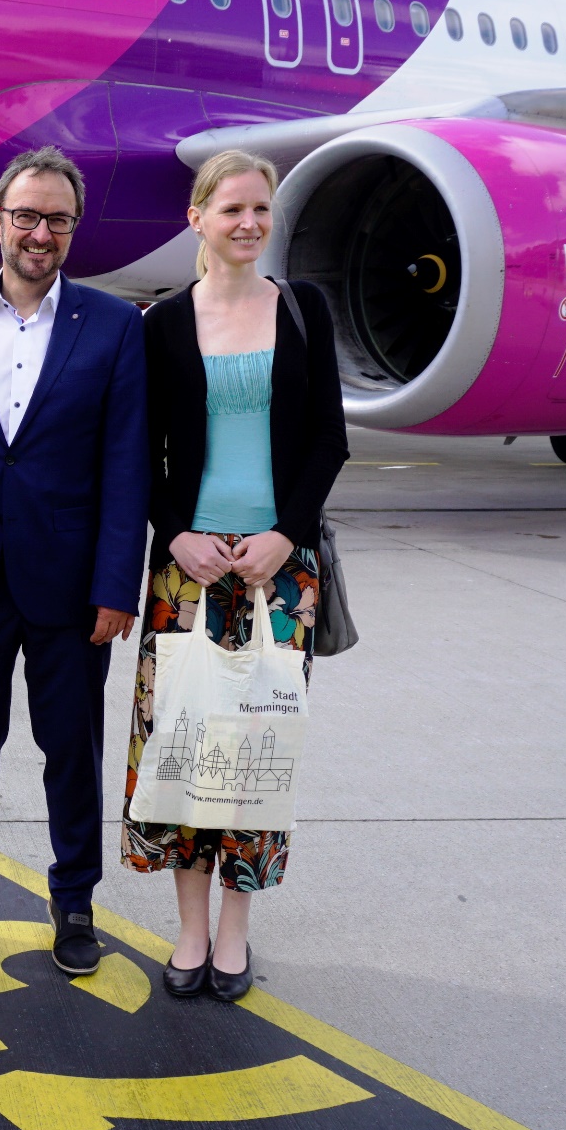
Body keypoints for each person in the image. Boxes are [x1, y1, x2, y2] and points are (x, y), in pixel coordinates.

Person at [0, 146, 149, 983]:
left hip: (70, 586)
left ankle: (74, 902)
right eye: (26, 216)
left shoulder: (114, 324)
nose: (39, 232)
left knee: (69, 753)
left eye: (56, 219)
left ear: (72, 229)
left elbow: (127, 465)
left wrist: (115, 584)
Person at [126, 149, 347, 1002]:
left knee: (255, 750)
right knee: (182, 750)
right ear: (197, 218)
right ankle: (186, 930)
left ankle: (232, 933)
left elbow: (327, 438)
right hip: (186, 570)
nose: (248, 223)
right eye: (231, 210)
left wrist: (284, 535)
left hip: (277, 572)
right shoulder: (161, 324)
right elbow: (139, 453)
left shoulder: (301, 310)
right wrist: (172, 530)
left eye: (260, 209)